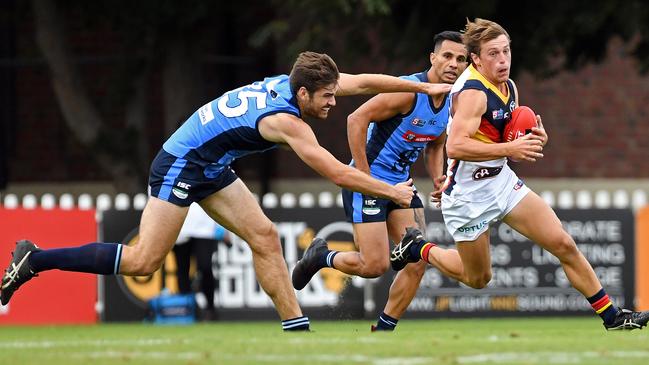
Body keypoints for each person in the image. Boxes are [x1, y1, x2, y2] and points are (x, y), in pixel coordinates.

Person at [0, 51, 453, 331]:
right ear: (302, 95)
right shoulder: (285, 122)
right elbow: (337, 172)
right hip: (182, 161)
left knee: (264, 237)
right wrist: (390, 192)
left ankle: (296, 329)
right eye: (327, 98)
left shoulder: (300, 86)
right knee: (143, 262)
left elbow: (366, 82)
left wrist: (422, 84)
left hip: (214, 164)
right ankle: (35, 258)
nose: (334, 103)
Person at [390, 18, 649, 331]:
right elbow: (456, 146)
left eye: (506, 52)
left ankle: (613, 317)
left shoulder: (509, 86)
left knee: (563, 244)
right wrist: (509, 151)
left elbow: (509, 135)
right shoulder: (472, 93)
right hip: (468, 196)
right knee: (477, 279)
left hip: (501, 182)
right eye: (494, 55)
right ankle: (419, 248)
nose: (503, 61)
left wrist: (536, 137)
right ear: (475, 59)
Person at [291, 32, 469, 331]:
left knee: (418, 260)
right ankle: (321, 256)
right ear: (433, 58)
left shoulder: (453, 101)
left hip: (402, 188)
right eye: (447, 56)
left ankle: (384, 330)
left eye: (461, 59)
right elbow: (355, 120)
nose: (453, 64)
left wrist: (439, 176)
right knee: (374, 266)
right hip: (370, 183)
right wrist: (363, 175)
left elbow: (436, 145)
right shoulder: (408, 92)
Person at [173, 202, 231, 321]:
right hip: (180, 229)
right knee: (182, 270)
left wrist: (223, 227)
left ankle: (210, 308)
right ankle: (187, 310)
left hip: (205, 229)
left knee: (205, 267)